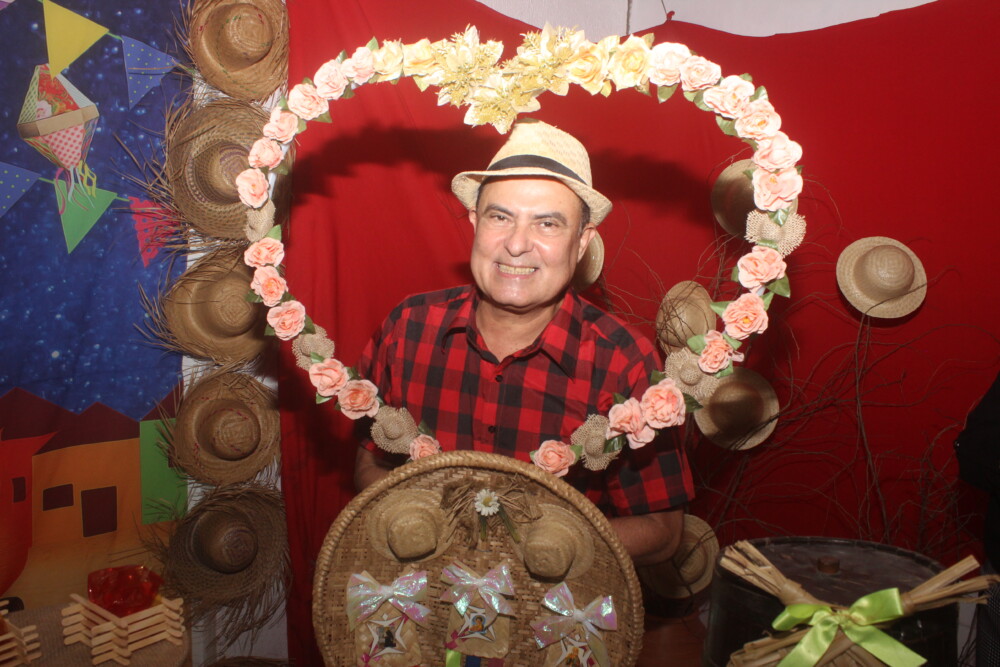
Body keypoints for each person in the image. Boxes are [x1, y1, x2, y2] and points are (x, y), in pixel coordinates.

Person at [354, 119, 694, 565]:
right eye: (500, 217)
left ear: (582, 242)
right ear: (475, 222)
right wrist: (426, 530)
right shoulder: (408, 328)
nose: (516, 245)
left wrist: (525, 551)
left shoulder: (623, 360)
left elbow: (662, 532)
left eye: (547, 223)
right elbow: (371, 463)